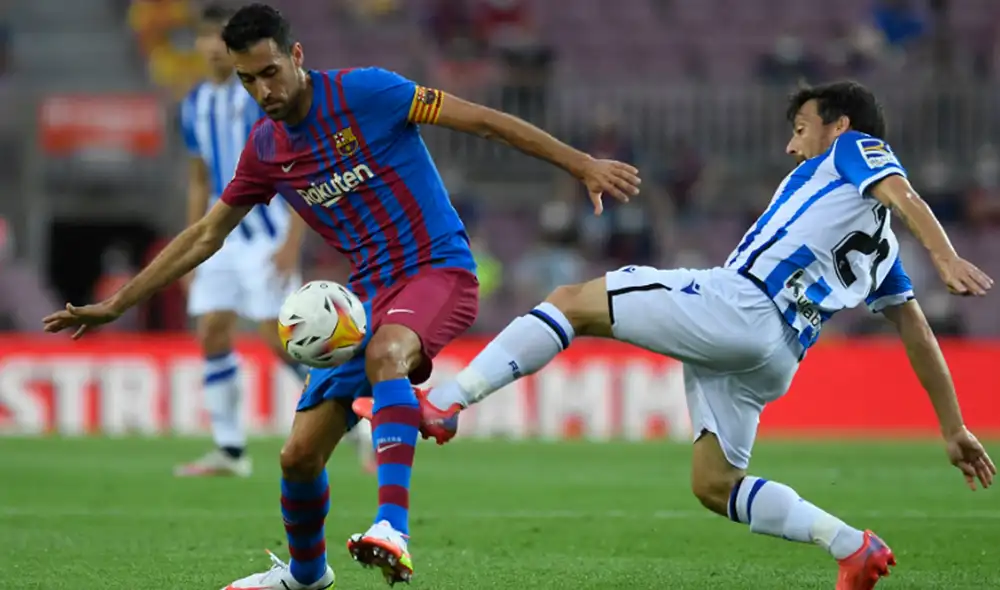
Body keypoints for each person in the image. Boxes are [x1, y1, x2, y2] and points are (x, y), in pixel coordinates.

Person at [41, 3, 641, 589]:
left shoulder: (369, 93)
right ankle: (306, 576)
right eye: (248, 79)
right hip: (367, 298)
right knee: (297, 458)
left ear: (296, 55)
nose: (262, 90)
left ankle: (393, 528)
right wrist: (119, 302)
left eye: (270, 72)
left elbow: (483, 120)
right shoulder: (267, 149)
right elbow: (205, 234)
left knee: (387, 356)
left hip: (438, 270)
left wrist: (580, 163)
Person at [356, 81, 997, 590]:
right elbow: (914, 329)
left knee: (572, 302)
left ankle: (446, 404)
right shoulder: (879, 246)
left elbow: (902, 191)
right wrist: (952, 426)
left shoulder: (855, 152)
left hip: (741, 304)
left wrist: (945, 258)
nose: (791, 146)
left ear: (839, 127)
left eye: (801, 129)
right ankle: (852, 547)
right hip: (779, 356)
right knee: (714, 485)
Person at [172, 5, 379, 478]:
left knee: (283, 339)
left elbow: (302, 164)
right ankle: (229, 449)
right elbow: (198, 180)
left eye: (216, 39)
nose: (210, 48)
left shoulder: (261, 98)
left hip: (266, 234)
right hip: (220, 239)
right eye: (203, 39)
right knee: (211, 332)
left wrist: (292, 239)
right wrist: (189, 255)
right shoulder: (194, 105)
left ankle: (353, 423)